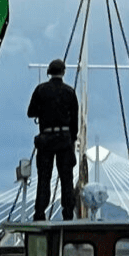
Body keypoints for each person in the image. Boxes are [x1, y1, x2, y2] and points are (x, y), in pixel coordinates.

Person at [27, 59, 80, 220]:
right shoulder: (69, 92)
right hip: (64, 139)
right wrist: (72, 139)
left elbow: (31, 112)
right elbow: (75, 122)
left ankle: (40, 212)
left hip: (46, 138)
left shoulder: (41, 90)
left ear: (49, 72)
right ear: (63, 72)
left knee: (44, 177)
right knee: (66, 178)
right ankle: (68, 212)